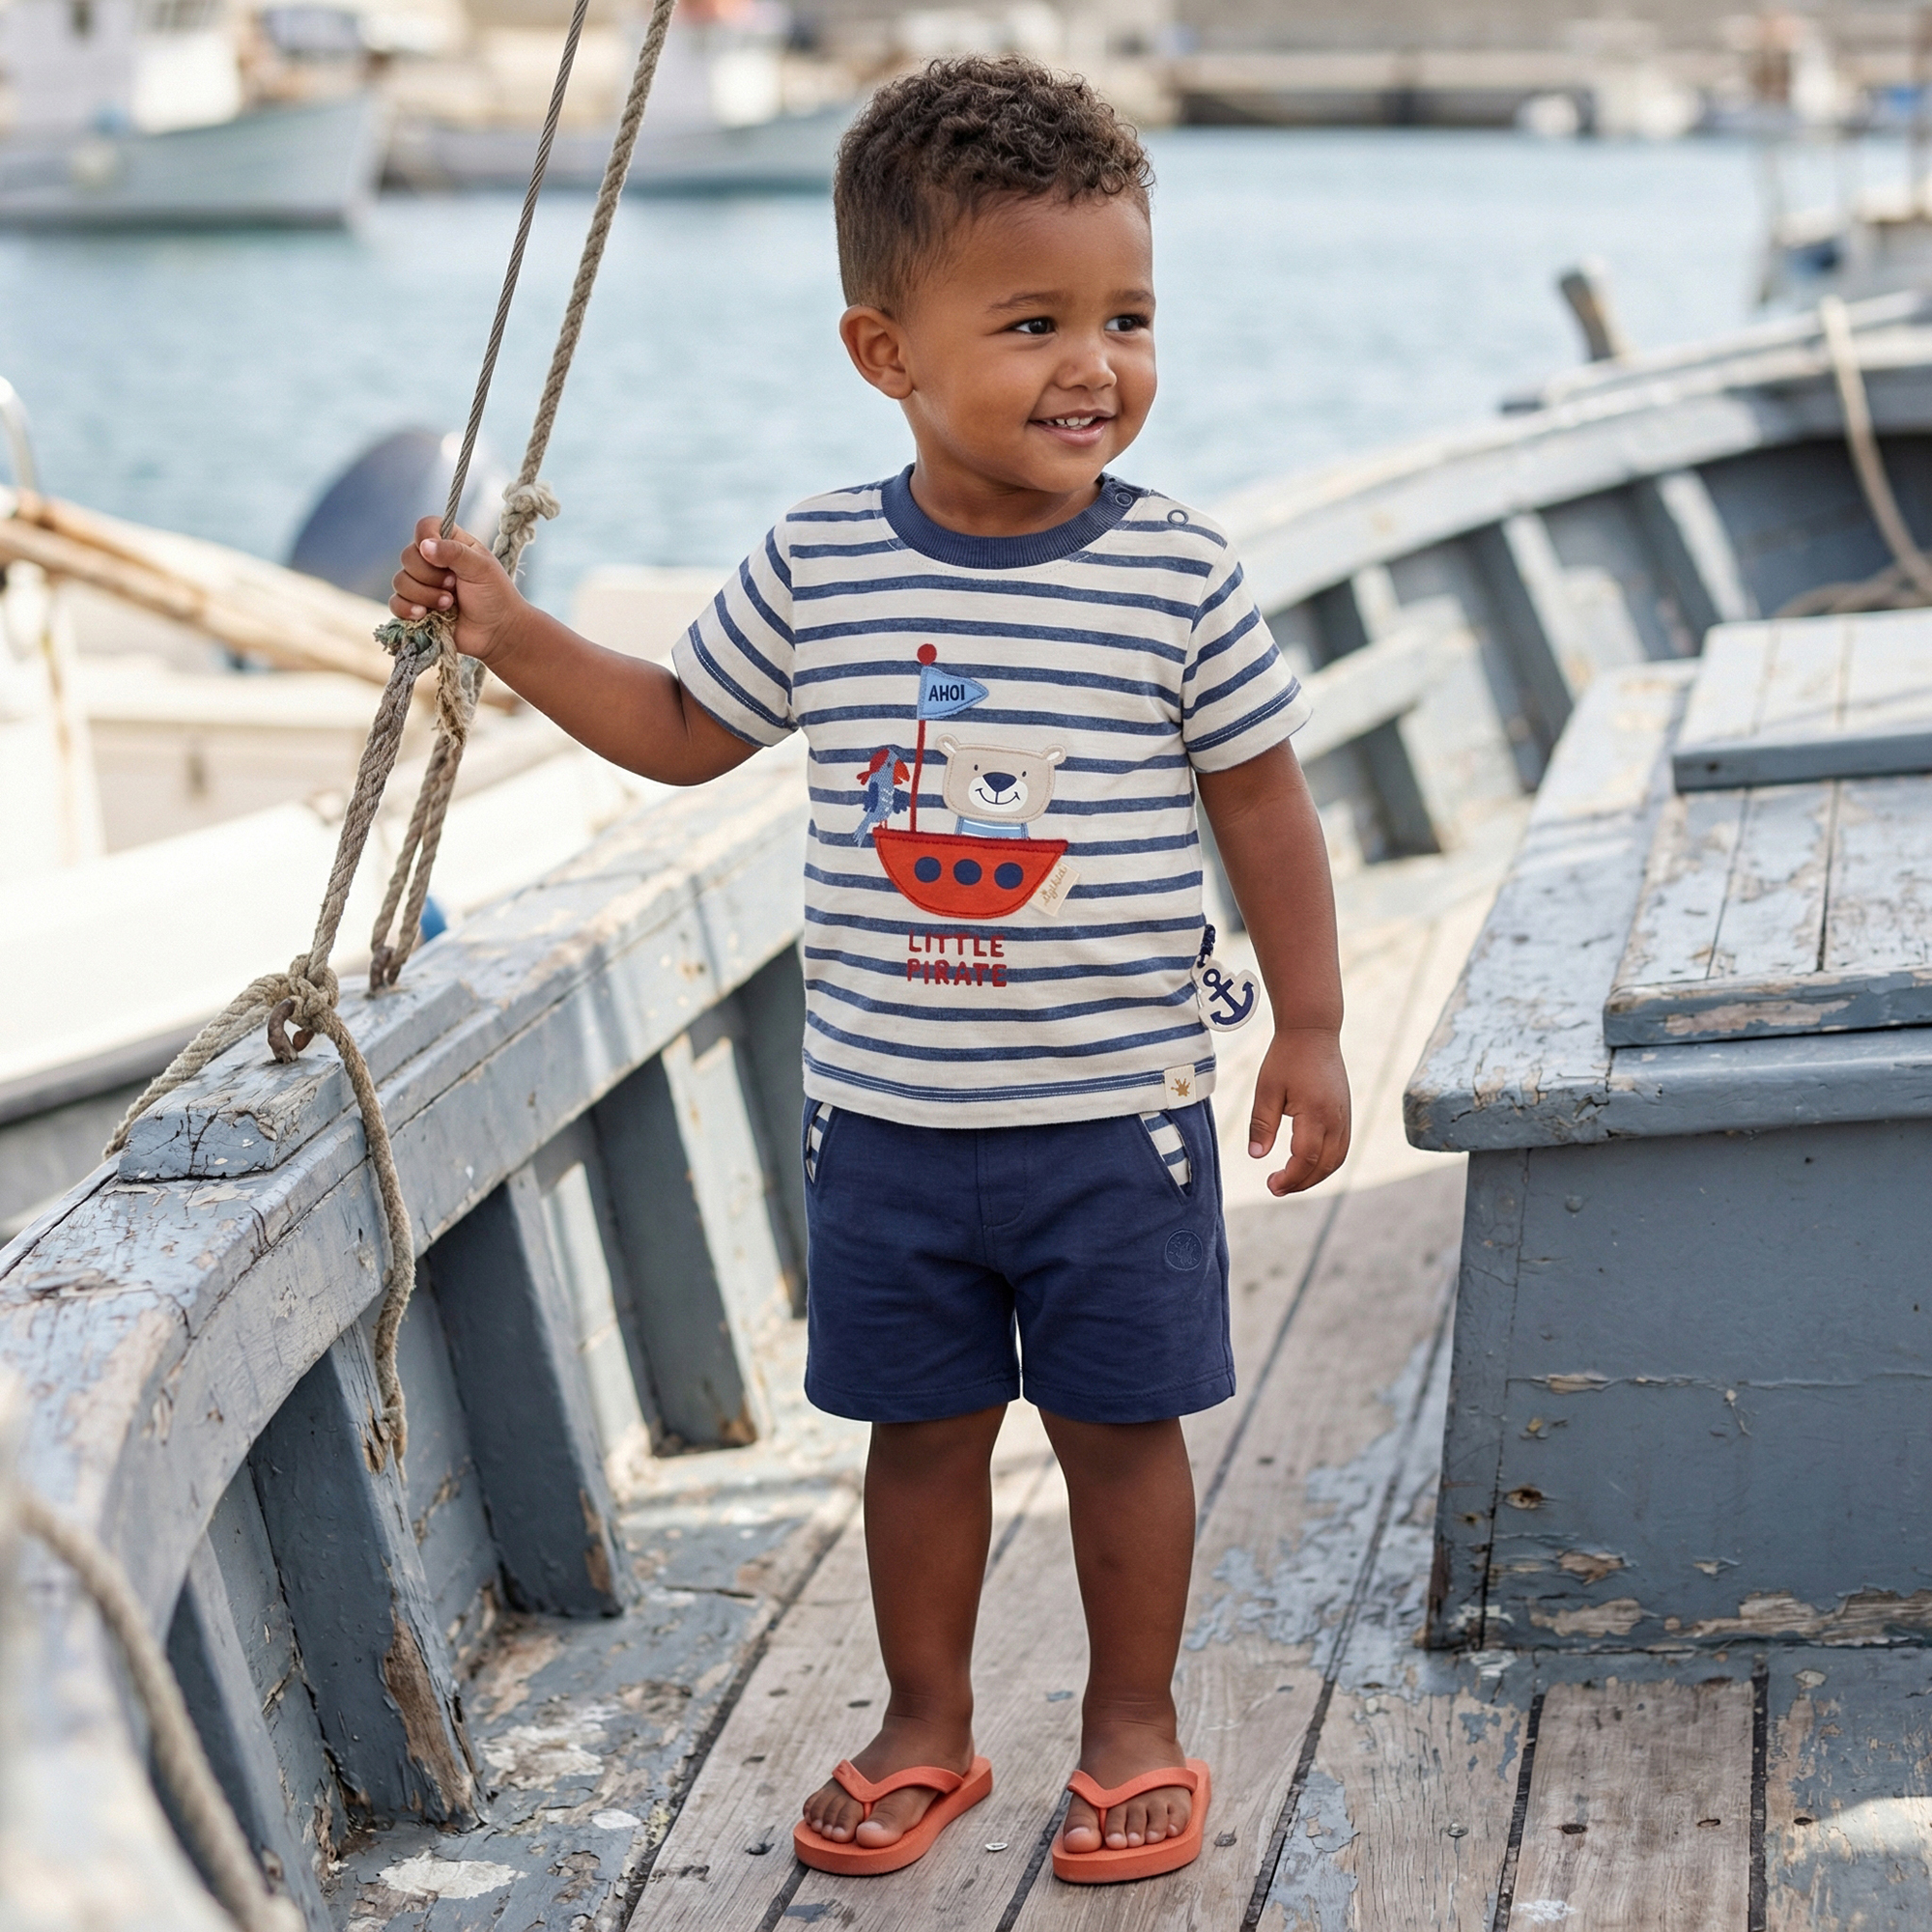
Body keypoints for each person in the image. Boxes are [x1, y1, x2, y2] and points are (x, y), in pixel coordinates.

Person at [390, 54, 1350, 1888]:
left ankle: (1132, 1727)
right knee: (919, 1438)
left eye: (1129, 318)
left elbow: (1270, 809)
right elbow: (681, 729)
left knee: (1118, 1431)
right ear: (885, 352)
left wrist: (1307, 1026)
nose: (1098, 366)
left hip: (1114, 1116)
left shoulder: (1177, 577)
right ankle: (929, 1724)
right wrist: (509, 635)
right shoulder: (823, 561)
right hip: (890, 1124)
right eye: (1035, 323)